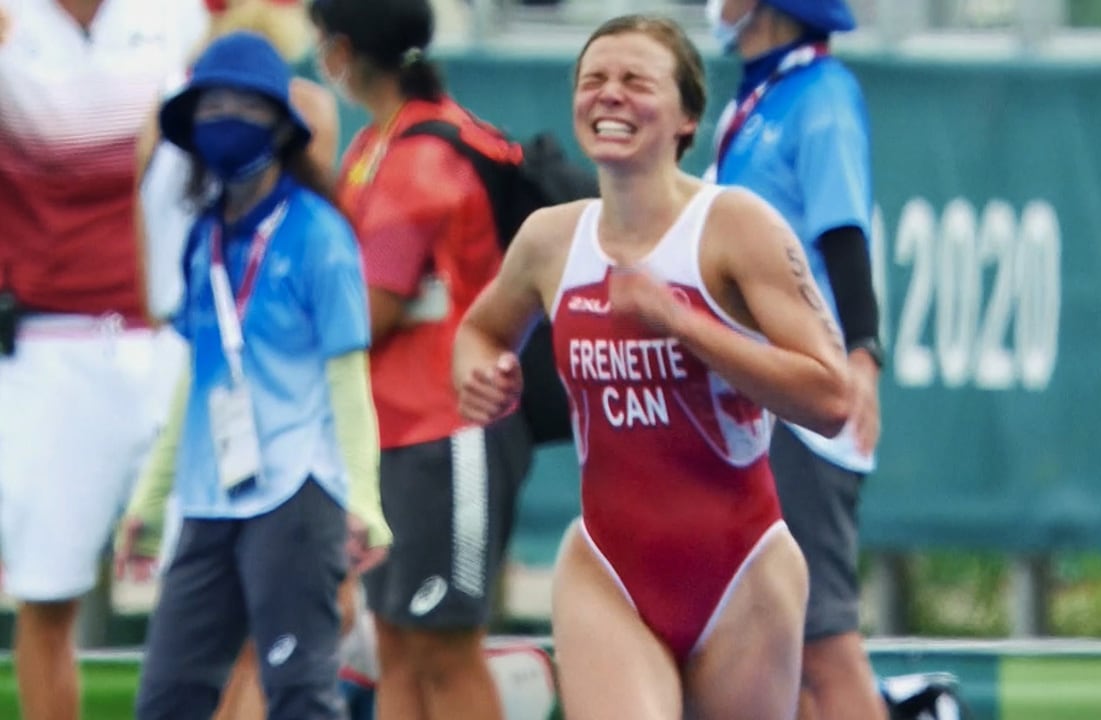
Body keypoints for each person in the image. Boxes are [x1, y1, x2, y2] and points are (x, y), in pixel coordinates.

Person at [454, 13, 856, 719]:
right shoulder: (551, 240)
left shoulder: (736, 227)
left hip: (743, 572)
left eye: (636, 81)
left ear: (686, 119)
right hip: (608, 569)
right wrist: (480, 372)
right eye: (593, 80)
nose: (610, 95)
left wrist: (683, 324)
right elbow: (480, 331)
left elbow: (830, 398)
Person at [129, 30, 390, 719]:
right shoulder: (204, 237)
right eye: (211, 106)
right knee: (166, 699)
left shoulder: (320, 235)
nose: (226, 119)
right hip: (207, 498)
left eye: (244, 106)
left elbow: (348, 379)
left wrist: (363, 500)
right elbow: (196, 380)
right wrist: (150, 501)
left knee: (299, 696)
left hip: (297, 495)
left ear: (280, 124)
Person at [309, 1, 533, 718]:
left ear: (342, 50)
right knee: (396, 646)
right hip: (390, 435)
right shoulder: (373, 146)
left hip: (449, 435)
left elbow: (367, 310)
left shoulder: (423, 159)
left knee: (445, 649)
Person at [0, 1, 206, 718]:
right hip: (51, 348)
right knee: (46, 595)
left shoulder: (179, 14)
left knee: (217, 590)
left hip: (175, 340)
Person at [704, 1, 886, 719]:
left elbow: (844, 229)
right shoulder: (757, 97)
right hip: (758, 397)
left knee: (822, 642)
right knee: (778, 643)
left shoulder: (822, 94)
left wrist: (862, 355)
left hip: (804, 401)